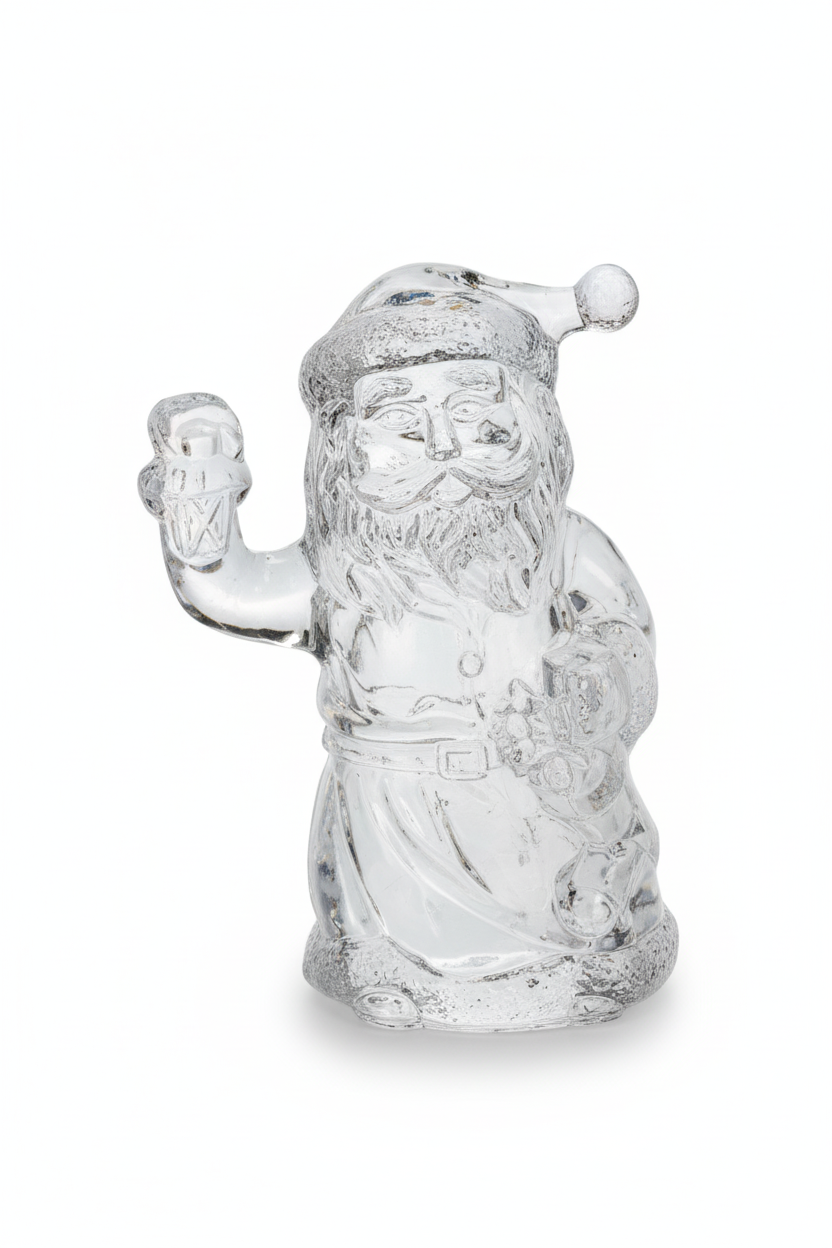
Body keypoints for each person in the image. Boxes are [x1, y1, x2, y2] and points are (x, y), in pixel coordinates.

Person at [140, 262, 677, 1030]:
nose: (444, 445)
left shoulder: (564, 551)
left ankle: (583, 960)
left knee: (588, 920)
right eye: (399, 421)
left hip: (542, 821)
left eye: (475, 410)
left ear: (532, 420)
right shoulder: (343, 573)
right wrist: (200, 488)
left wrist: (594, 685)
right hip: (392, 837)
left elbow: (628, 639)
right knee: (390, 954)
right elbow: (227, 588)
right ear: (342, 446)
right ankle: (392, 969)